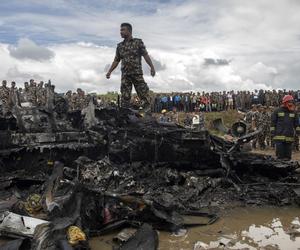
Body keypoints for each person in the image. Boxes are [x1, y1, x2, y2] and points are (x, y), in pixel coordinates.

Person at [106, 23, 156, 112]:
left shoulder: (138, 42)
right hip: (125, 75)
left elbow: (145, 55)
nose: (120, 32)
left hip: (137, 73)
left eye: (123, 30)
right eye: (120, 30)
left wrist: (152, 67)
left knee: (143, 94)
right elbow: (116, 60)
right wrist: (109, 71)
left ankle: (146, 114)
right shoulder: (120, 46)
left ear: (129, 31)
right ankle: (125, 116)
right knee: (125, 97)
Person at [271, 95, 300, 160]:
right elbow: (273, 123)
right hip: (279, 137)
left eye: (292, 102)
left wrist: (298, 131)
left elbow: (297, 124)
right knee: (280, 156)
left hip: (289, 138)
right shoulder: (277, 111)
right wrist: (272, 132)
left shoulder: (294, 112)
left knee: (288, 157)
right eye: (289, 102)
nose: (291, 103)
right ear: (285, 102)